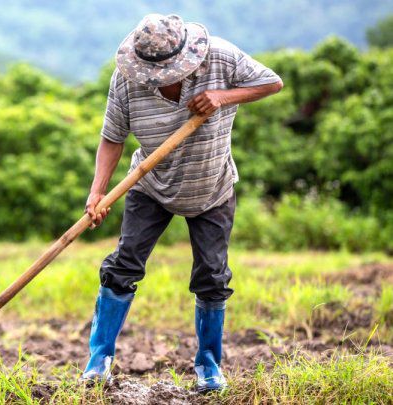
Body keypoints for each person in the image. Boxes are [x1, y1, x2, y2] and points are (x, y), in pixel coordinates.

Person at [81, 13, 283, 392]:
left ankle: (209, 367)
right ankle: (98, 362)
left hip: (212, 186)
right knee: (123, 265)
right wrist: (98, 191)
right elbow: (112, 137)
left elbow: (272, 83)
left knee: (211, 276)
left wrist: (223, 96)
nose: (158, 80)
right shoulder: (127, 79)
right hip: (150, 184)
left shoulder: (221, 57)